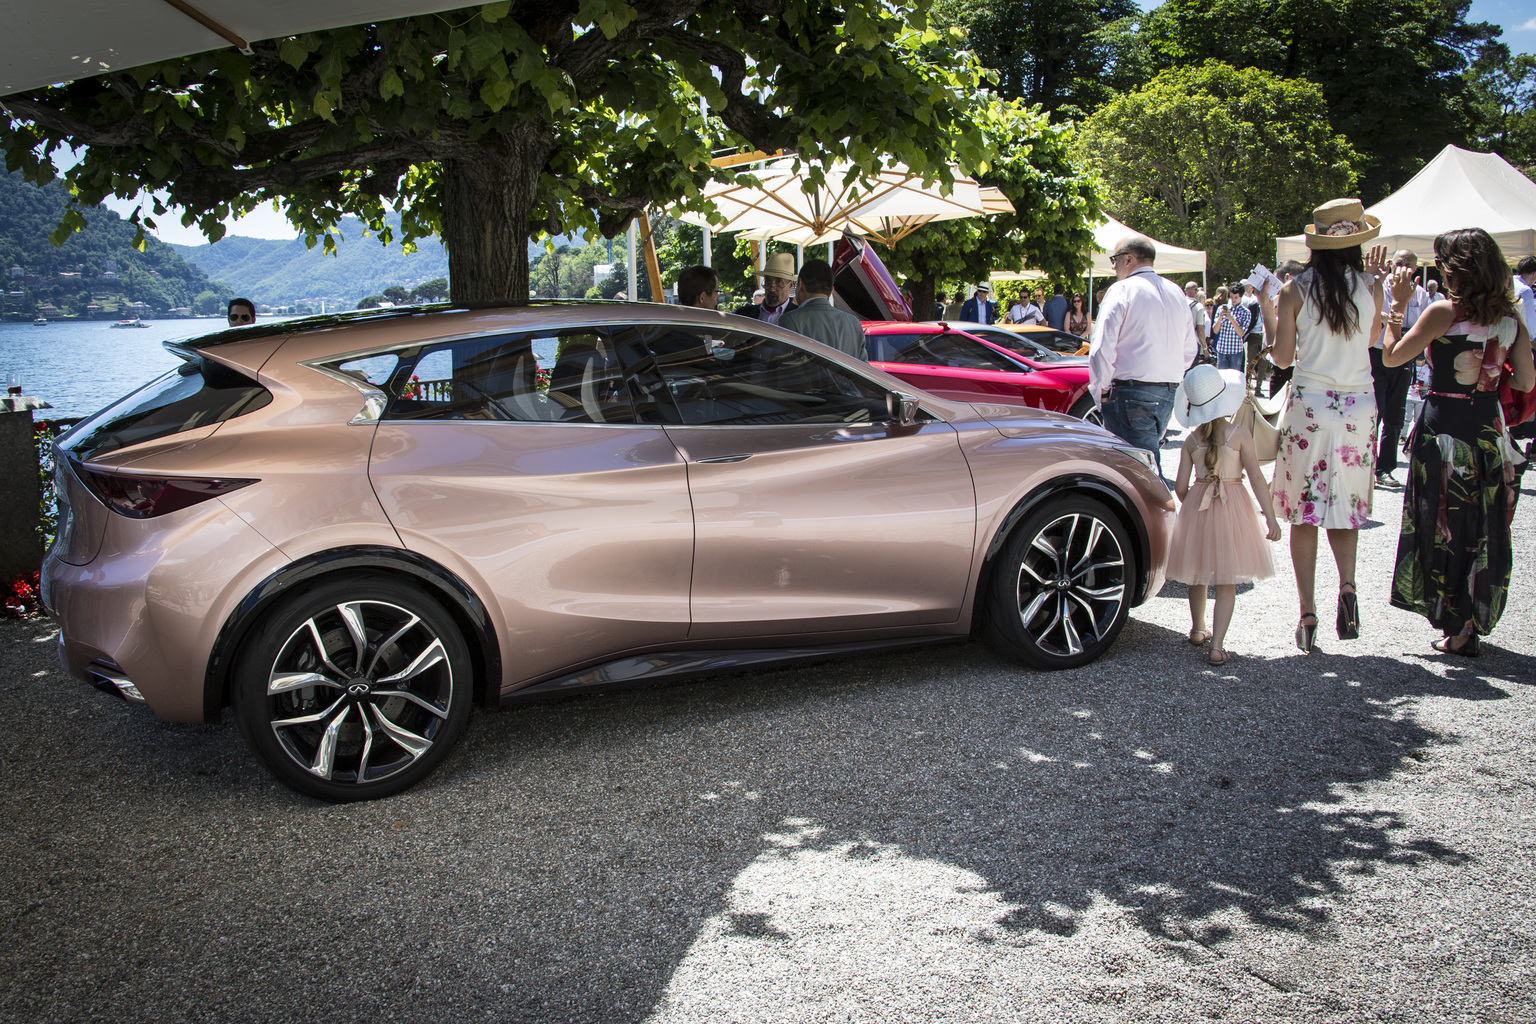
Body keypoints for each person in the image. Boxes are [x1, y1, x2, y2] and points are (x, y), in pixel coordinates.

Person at [1382, 227, 1534, 656]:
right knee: (1482, 524)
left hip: (1444, 430)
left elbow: (1393, 356)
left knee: (1443, 523)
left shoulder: (1443, 312)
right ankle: (1467, 619)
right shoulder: (1511, 319)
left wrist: (1395, 309)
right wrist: (1490, 369)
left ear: (1456, 270)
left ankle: (1456, 622)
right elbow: (1526, 379)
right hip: (1489, 432)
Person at [1256, 198, 1385, 653]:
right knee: (1344, 502)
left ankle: (1307, 612)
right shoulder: (1372, 286)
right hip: (1358, 406)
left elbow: (1285, 358)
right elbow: (1371, 342)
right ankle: (1347, 586)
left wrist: (1272, 316)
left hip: (1310, 403)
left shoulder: (1296, 289)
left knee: (1303, 511)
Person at [1165, 365, 1283, 665]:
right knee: (1227, 579)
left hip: (1198, 505)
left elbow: (1179, 487)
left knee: (1197, 573)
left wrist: (1194, 501)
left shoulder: (1191, 441)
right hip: (1233, 505)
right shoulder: (1239, 434)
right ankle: (1217, 645)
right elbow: (1256, 478)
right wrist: (1269, 517)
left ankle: (1196, 629)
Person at [1087, 234, 1201, 475]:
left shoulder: (1122, 289)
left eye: (1114, 259)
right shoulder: (1176, 291)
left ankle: (1159, 511)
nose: (1113, 266)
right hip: (1166, 389)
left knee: (1137, 472)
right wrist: (1168, 375)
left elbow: (1101, 347)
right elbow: (1190, 349)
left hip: (1130, 390)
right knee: (1142, 462)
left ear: (1128, 259)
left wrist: (1101, 392)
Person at [1369, 250, 1430, 486]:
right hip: (1376, 354)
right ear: (1391, 265)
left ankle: (1385, 467)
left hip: (1403, 355)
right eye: (1400, 263)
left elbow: (1423, 324)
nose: (1404, 268)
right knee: (1375, 411)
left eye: (1409, 265)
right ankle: (1368, 464)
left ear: (1415, 269)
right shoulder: (1381, 288)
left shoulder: (1421, 294)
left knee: (1395, 416)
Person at [776, 259, 865, 359]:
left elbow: (783, 367)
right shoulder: (854, 323)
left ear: (800, 284)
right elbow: (864, 367)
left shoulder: (789, 321)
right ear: (831, 290)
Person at [1262, 261, 1307, 398]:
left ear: (1289, 278)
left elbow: (1281, 357)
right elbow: (1272, 346)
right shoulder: (1275, 302)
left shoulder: (1303, 302)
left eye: (1275, 283)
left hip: (1296, 370)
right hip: (1283, 370)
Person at [734, 253, 797, 324]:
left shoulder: (799, 316)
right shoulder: (743, 314)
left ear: (790, 285)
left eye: (779, 282)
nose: (772, 289)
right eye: (768, 281)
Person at [1211, 284, 1252, 373]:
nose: (1233, 300)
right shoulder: (1221, 309)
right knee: (1223, 377)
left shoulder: (1246, 312)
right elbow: (1215, 330)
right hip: (1222, 349)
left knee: (1234, 377)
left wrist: (1231, 319)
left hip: (1235, 351)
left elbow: (1241, 333)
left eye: (1236, 297)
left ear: (1241, 297)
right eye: (1231, 297)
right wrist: (1220, 318)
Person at [1185, 281, 1208, 354]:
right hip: (1193, 341)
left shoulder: (1178, 303)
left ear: (1185, 291)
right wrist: (1205, 347)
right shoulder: (1198, 306)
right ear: (1196, 291)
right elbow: (1200, 328)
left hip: (1179, 341)